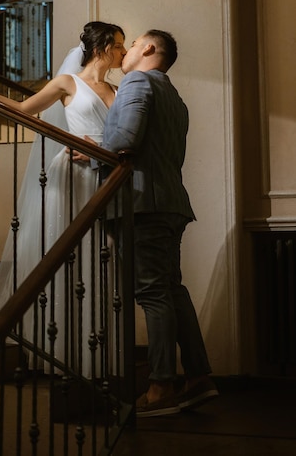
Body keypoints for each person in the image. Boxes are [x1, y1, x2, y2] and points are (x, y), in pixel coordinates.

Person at [0, 21, 126, 377]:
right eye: (120, 46)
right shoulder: (67, 83)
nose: (124, 54)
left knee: (100, 256)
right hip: (70, 177)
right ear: (105, 46)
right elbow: (23, 110)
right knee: (63, 254)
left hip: (102, 177)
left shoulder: (116, 88)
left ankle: (94, 353)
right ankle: (57, 347)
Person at [102, 29, 218, 416]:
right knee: (172, 290)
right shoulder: (175, 97)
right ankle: (199, 377)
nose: (129, 50)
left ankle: (161, 386)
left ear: (149, 48)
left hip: (142, 203)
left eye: (133, 43)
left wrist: (90, 150)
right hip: (170, 202)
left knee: (152, 293)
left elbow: (125, 139)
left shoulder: (136, 81)